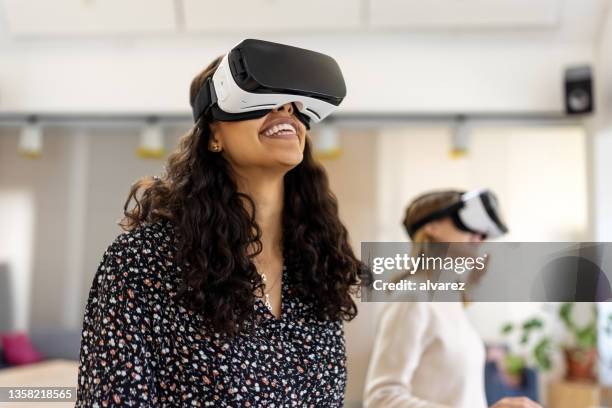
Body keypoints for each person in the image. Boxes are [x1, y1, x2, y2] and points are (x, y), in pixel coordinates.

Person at [76, 40, 363, 407]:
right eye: (262, 94)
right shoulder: (142, 263)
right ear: (214, 134)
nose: (286, 107)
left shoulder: (317, 267)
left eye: (293, 103)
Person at [363, 190, 542, 408]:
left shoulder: (452, 299)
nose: (480, 235)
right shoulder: (412, 297)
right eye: (468, 222)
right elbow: (381, 398)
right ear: (432, 227)